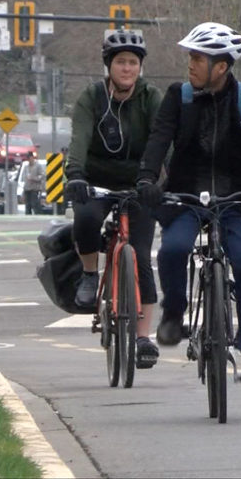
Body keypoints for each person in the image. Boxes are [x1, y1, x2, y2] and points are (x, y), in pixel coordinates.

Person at [135, 22, 241, 382]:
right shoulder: (179, 96)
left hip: (238, 198)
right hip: (186, 195)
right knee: (173, 250)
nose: (190, 65)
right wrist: (146, 178)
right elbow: (159, 140)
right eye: (190, 57)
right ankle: (174, 313)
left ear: (220, 67)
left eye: (197, 58)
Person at [66, 28, 163, 369]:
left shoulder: (152, 98)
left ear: (140, 67)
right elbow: (78, 138)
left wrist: (159, 179)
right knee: (88, 218)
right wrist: (75, 175)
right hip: (96, 180)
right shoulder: (92, 98)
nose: (127, 69)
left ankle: (142, 337)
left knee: (140, 258)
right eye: (120, 62)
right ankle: (91, 275)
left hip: (141, 182)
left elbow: (161, 140)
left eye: (133, 63)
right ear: (109, 65)